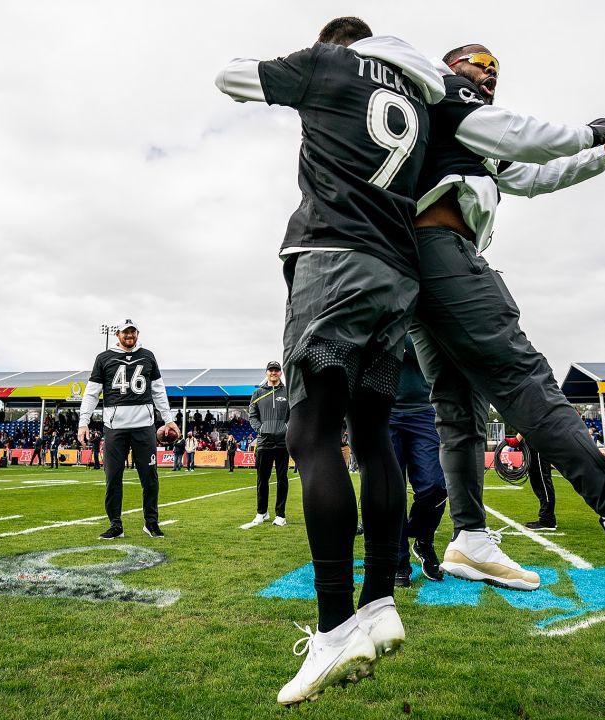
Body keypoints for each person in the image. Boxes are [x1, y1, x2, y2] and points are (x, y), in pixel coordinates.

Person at [406, 42, 605, 593]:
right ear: (452, 67)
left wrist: (601, 157)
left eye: (496, 70)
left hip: (414, 263)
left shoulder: (453, 133)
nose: (490, 75)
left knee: (459, 412)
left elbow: (533, 176)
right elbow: (519, 135)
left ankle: (470, 537)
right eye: (480, 64)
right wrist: (590, 133)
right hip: (441, 250)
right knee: (521, 378)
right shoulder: (446, 97)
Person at [217, 17, 446, 705]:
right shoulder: (416, 93)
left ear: (336, 42)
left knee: (311, 434)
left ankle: (332, 624)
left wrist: (308, 72)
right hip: (395, 277)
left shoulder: (331, 64)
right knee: (373, 437)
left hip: (333, 261)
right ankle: (379, 599)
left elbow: (231, 75)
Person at [77, 318, 180, 539]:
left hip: (144, 426)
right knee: (113, 477)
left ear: (137, 333)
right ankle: (116, 525)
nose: (129, 336)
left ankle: (151, 523)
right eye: (125, 332)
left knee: (149, 478)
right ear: (117, 335)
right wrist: (83, 422)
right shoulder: (104, 358)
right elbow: (92, 392)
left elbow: (159, 390)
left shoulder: (148, 356)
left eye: (132, 332)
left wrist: (168, 419)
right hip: (115, 427)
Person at [388, 338, 447, 585]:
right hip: (385, 411)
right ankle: (399, 562)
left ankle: (423, 540)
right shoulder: (378, 311)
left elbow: (430, 352)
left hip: (423, 410)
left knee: (436, 486)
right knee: (392, 492)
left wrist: (400, 334)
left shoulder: (420, 316)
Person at [247, 361, 291, 526]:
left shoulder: (288, 392)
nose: (274, 373)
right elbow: (252, 415)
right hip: (264, 442)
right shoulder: (257, 393)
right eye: (271, 370)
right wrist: (260, 429)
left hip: (282, 442)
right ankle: (262, 513)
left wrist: (286, 427)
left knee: (282, 478)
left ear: (280, 373)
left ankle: (280, 515)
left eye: (276, 370)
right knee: (262, 479)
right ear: (266, 373)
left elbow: (294, 412)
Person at [520, 434, 557, 530]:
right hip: (533, 441)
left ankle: (547, 520)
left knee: (542, 481)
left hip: (539, 441)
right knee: (536, 481)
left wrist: (517, 438)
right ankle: (547, 517)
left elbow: (532, 421)